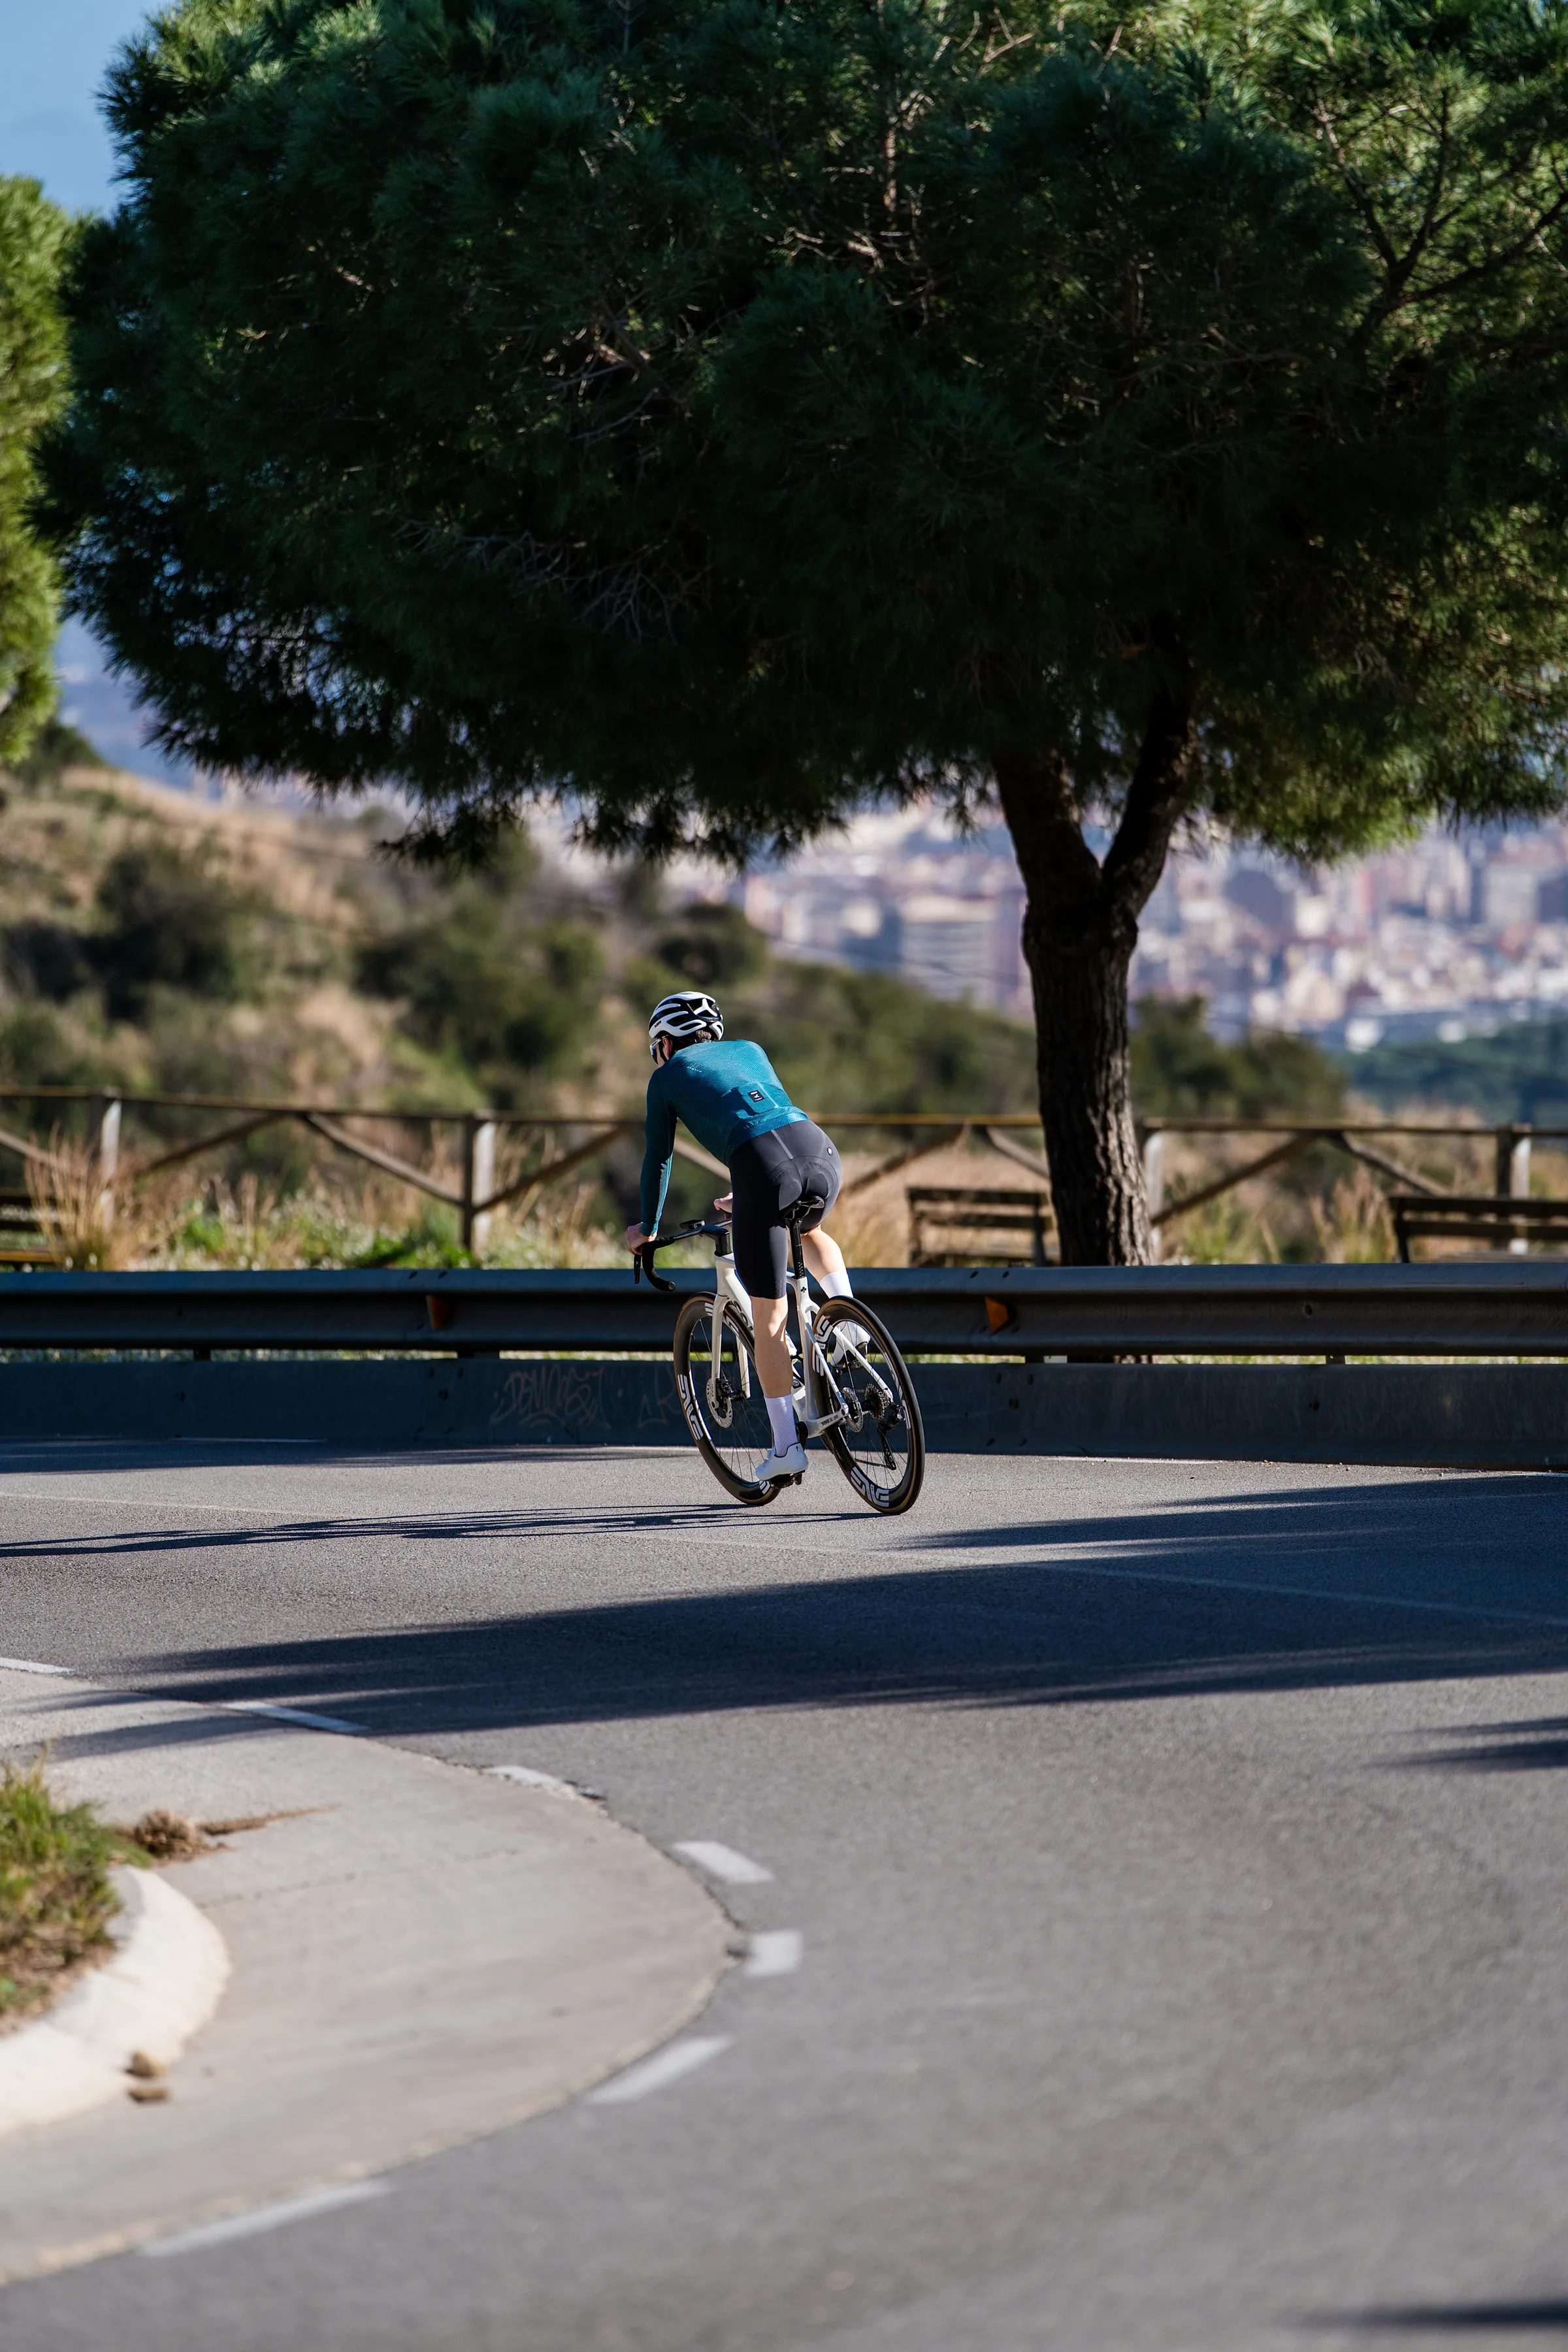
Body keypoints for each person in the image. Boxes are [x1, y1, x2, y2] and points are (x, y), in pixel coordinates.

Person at [624, 990, 861, 1482]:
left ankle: (785, 1447)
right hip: (820, 1153)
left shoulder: (666, 1076)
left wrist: (648, 1229)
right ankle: (849, 1321)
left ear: (664, 1044)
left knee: (769, 1316)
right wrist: (751, 1194)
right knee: (811, 1229)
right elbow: (765, 1117)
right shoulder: (751, 1049)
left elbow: (658, 1161)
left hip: (764, 1168)